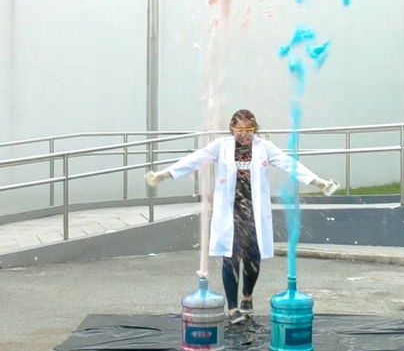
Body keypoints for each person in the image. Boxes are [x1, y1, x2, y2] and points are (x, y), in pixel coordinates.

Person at [145, 109, 338, 324]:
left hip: (254, 213)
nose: (244, 134)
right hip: (230, 212)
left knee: (253, 257)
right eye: (239, 129)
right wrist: (164, 175)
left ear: (255, 129)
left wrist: (318, 182)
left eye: (249, 129)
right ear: (232, 129)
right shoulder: (222, 146)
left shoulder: (264, 148)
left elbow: (289, 164)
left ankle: (247, 295)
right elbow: (195, 159)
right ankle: (233, 307)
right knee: (230, 258)